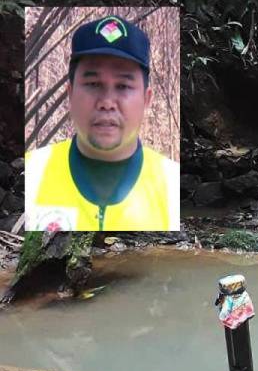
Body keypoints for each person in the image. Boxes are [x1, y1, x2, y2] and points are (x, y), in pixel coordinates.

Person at [25, 15, 179, 231]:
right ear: (70, 94)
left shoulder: (174, 186)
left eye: (123, 86)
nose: (107, 102)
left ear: (147, 99)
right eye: (93, 83)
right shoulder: (30, 173)